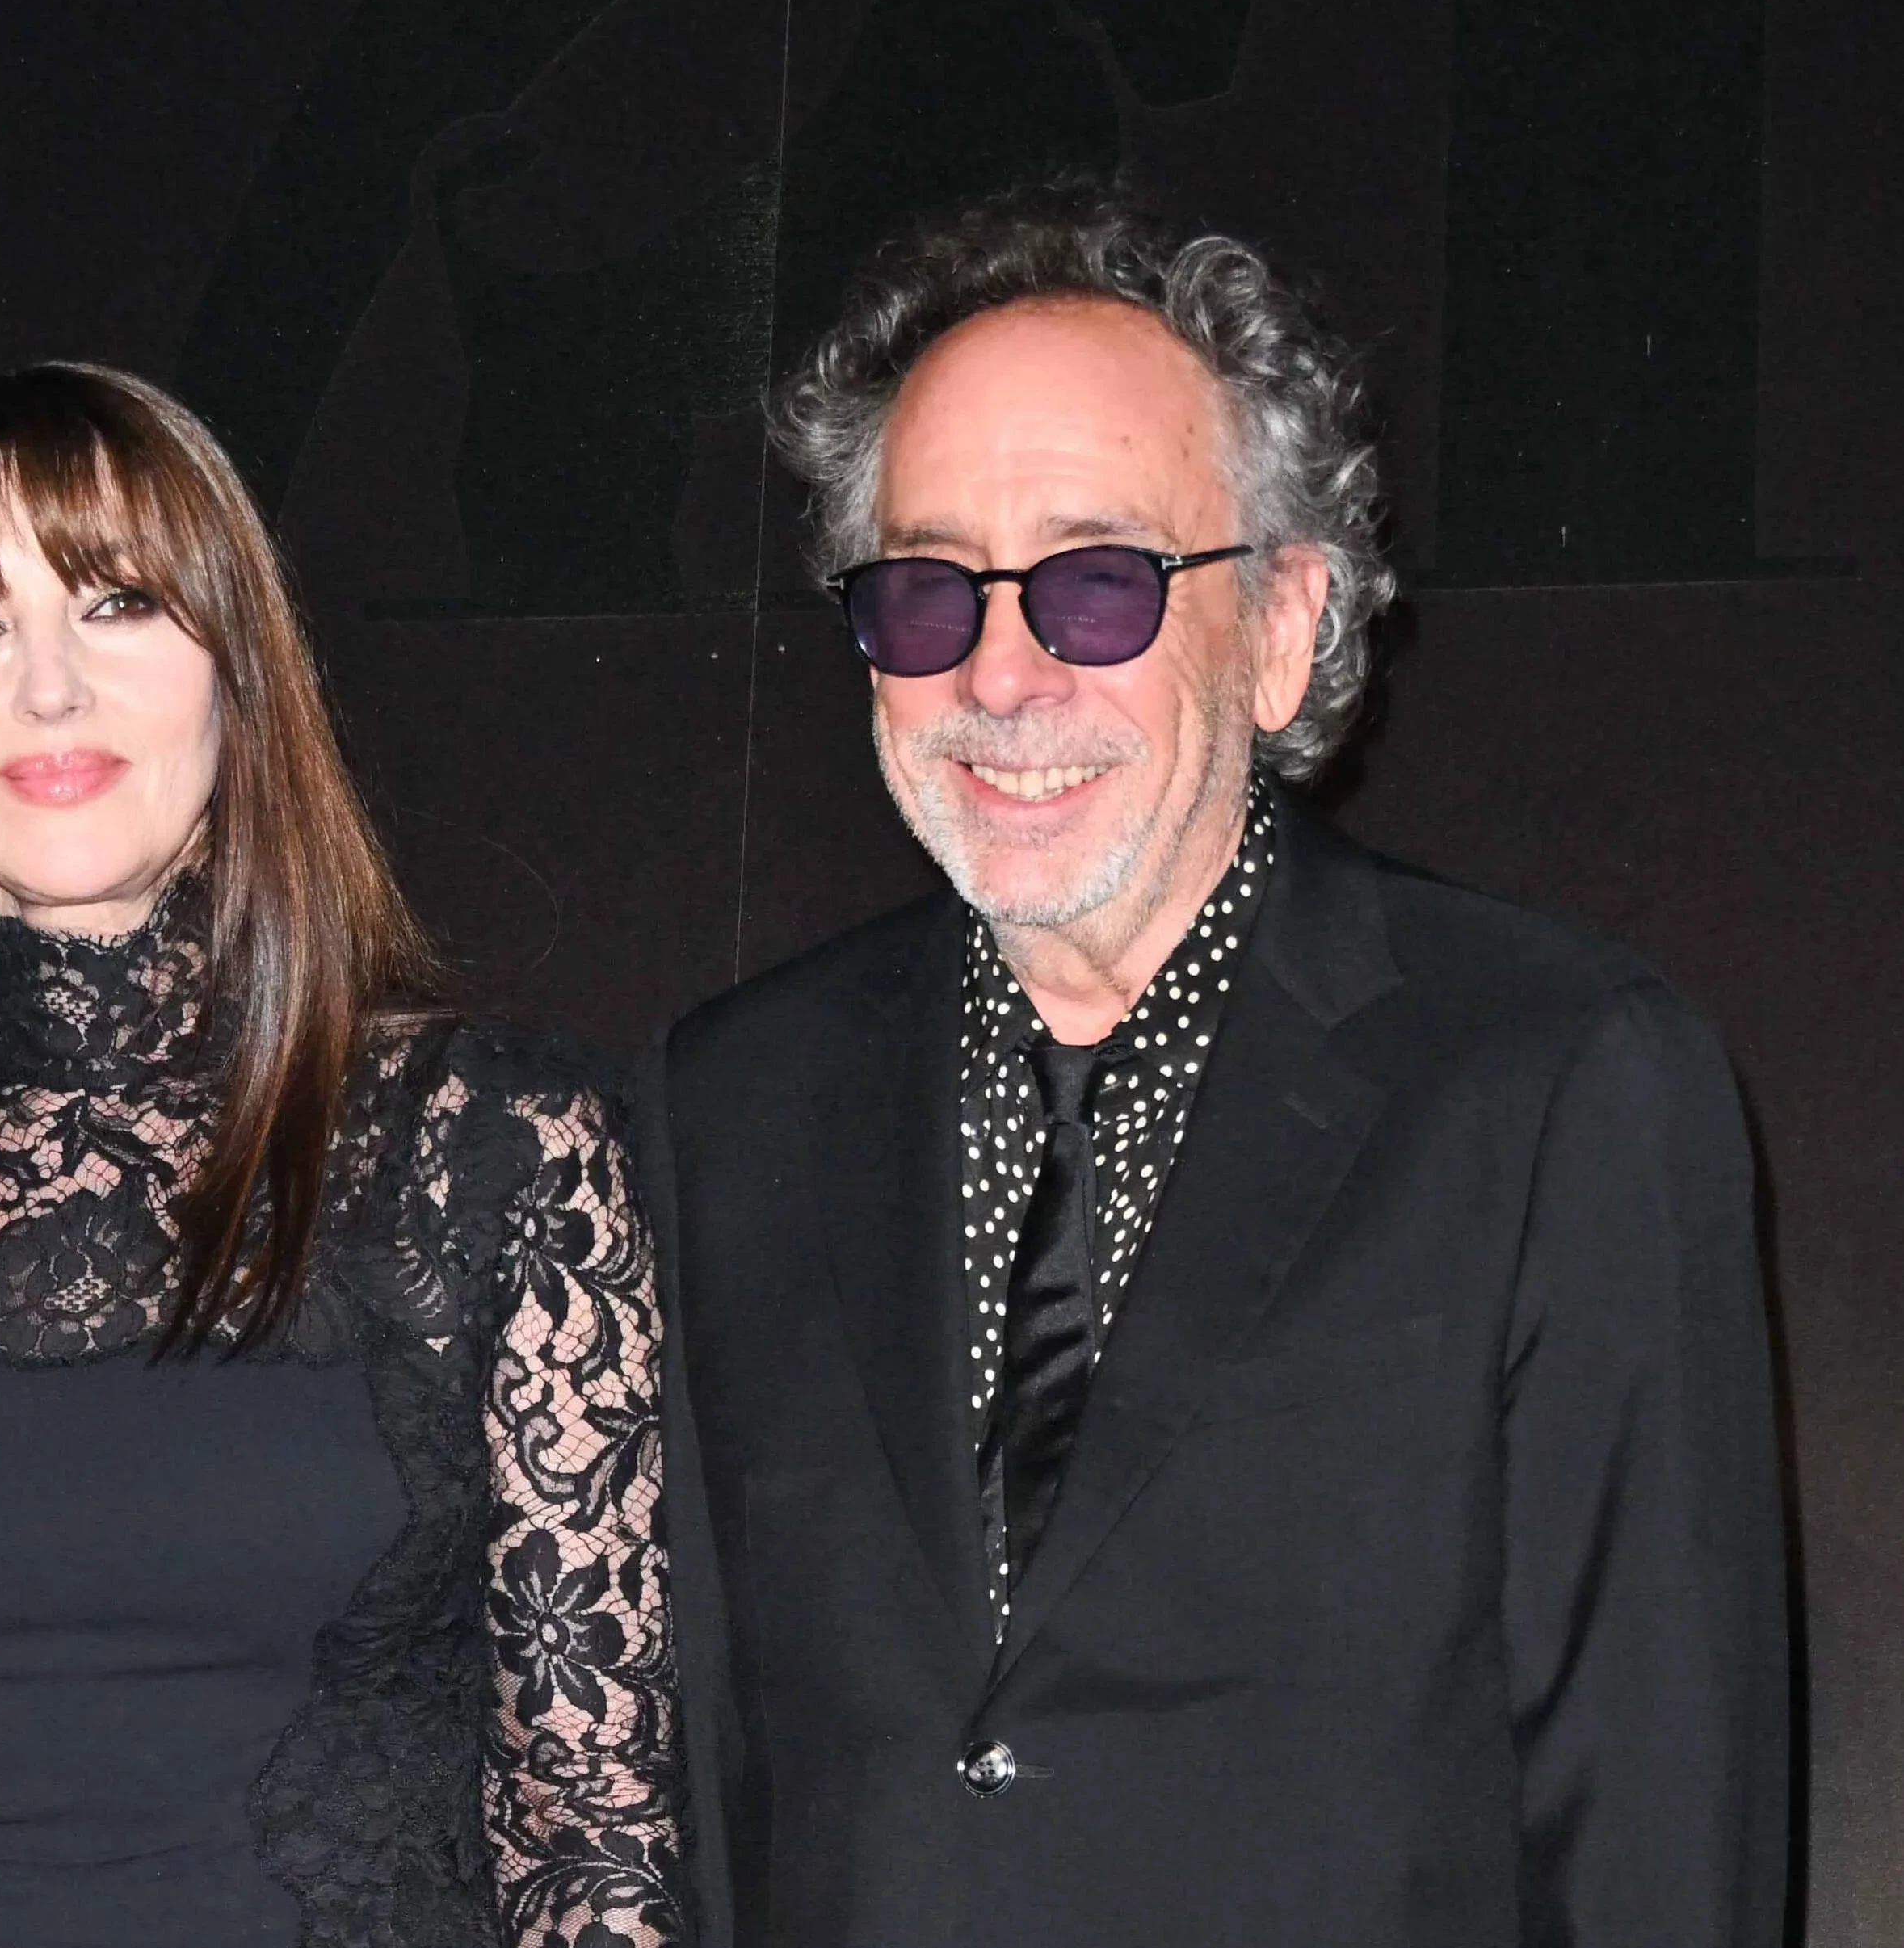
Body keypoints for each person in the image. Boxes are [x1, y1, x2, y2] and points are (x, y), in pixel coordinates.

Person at [641, 180, 1787, 1947]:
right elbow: (700, 1799)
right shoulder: (727, 1106)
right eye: (929, 592)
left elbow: (1660, 1831)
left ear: (1281, 626)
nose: (1000, 676)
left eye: (1097, 586)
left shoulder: (1555, 1081)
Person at [0, 364, 681, 1948]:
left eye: (117, 603)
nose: (49, 690)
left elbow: (588, 1815)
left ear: (239, 668)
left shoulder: (496, 1149)